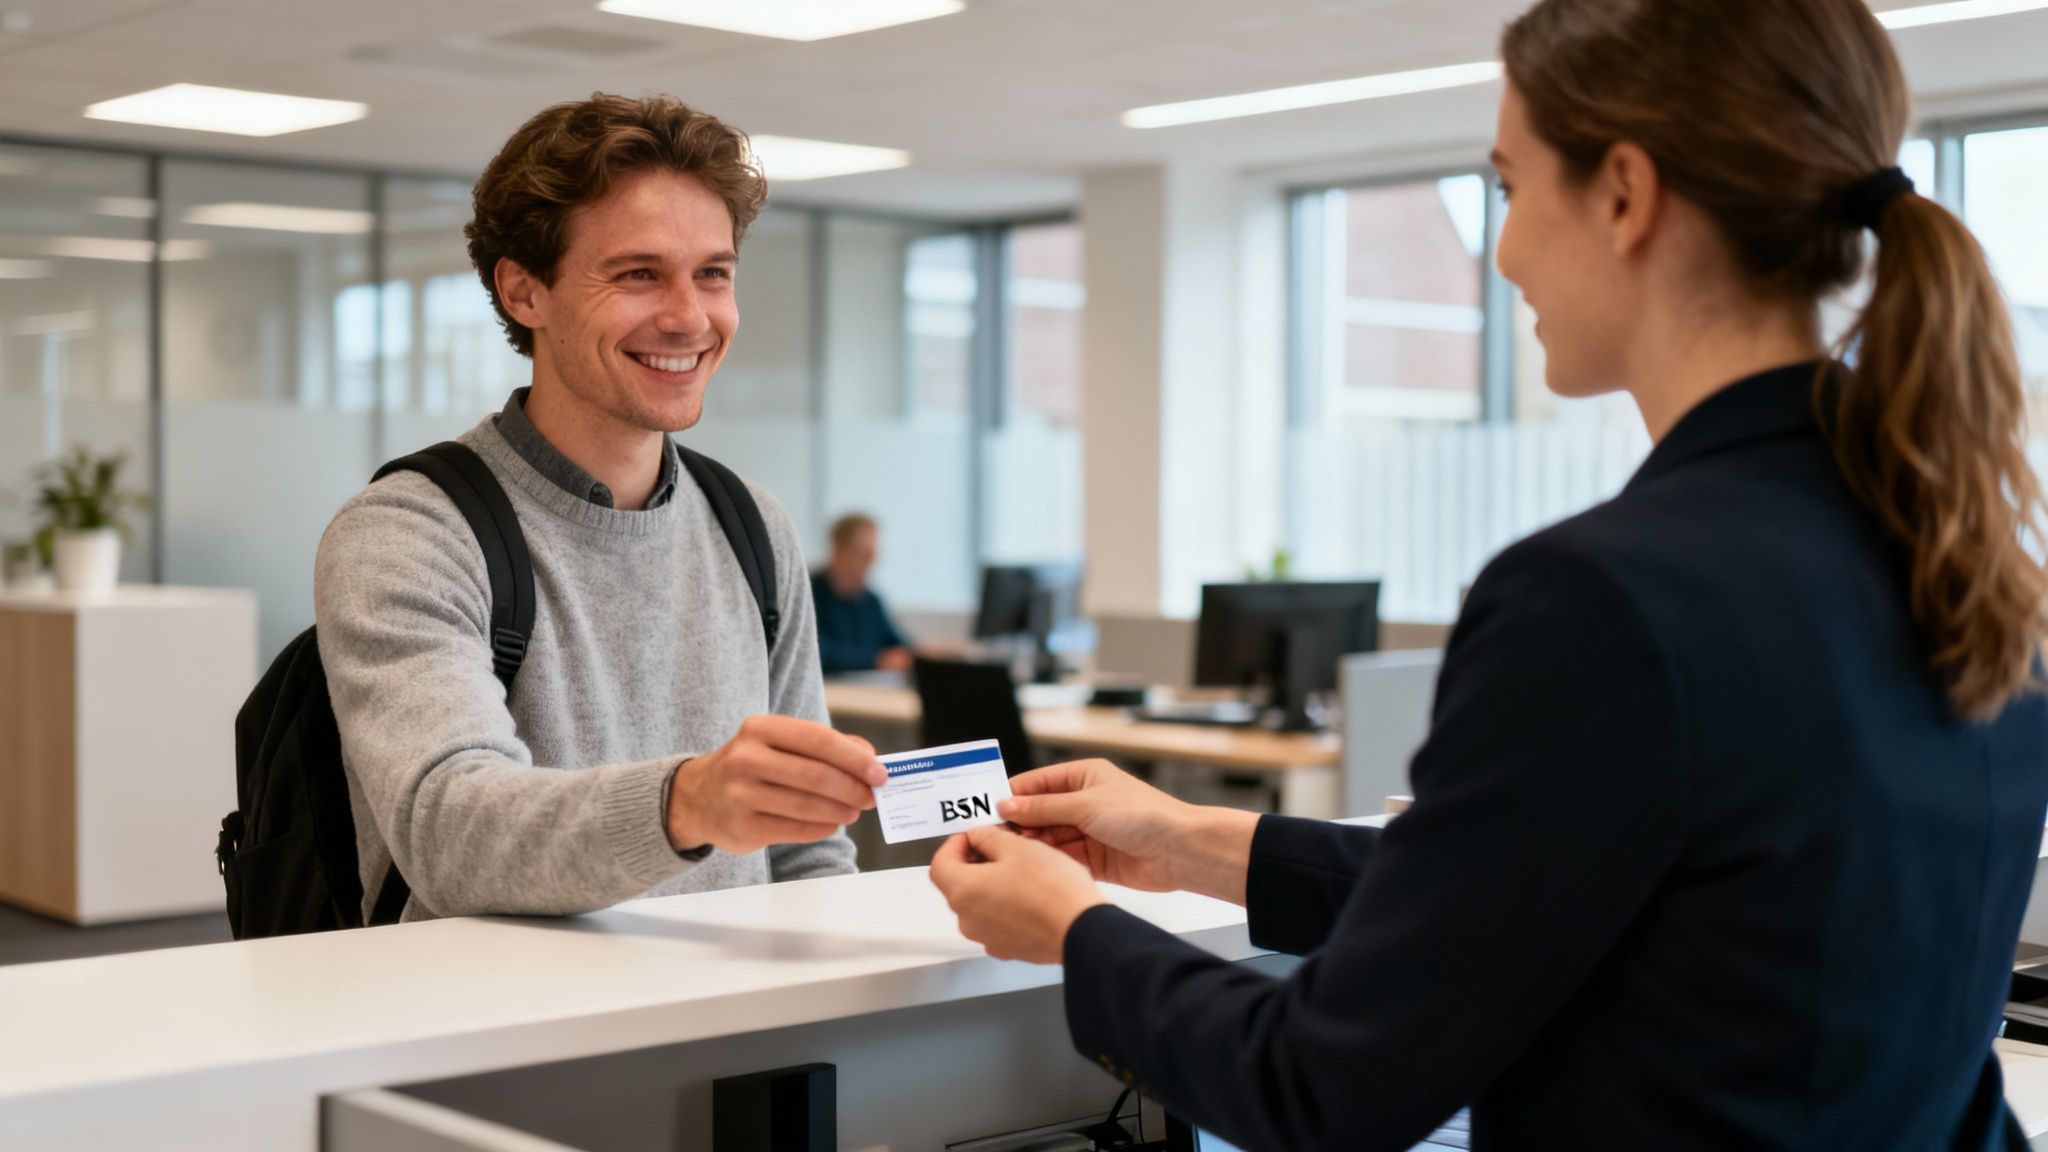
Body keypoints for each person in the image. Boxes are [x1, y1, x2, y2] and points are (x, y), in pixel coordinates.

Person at [929, 1, 2048, 1148]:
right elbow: (1577, 893)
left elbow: (1317, 1086)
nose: (1502, 252)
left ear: (1622, 192)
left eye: (1507, 189)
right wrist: (1191, 838)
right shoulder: (1965, 562)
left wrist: (1074, 932)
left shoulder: (1604, 599)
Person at [315, 94, 885, 923]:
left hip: (737, 1037)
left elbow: (809, 851)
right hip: (510, 1041)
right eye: (637, 274)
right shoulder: (410, 533)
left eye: (713, 274)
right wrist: (686, 803)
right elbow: (450, 831)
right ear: (524, 292)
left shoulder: (754, 526)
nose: (689, 317)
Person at [811, 512, 914, 675]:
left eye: (873, 555)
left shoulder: (870, 600)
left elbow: (899, 645)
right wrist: (878, 660)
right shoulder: (809, 595)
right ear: (838, 549)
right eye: (863, 554)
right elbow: (816, 653)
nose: (870, 563)